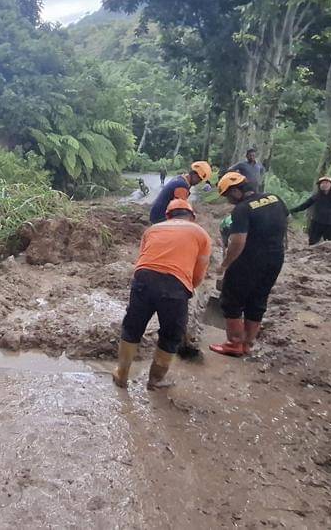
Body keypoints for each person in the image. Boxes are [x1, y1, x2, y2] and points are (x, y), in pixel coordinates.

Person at [113, 199, 212, 390]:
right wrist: (187, 289)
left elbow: (144, 257)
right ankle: (155, 380)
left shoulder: (152, 230)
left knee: (132, 327)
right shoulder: (201, 234)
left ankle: (121, 374)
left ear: (167, 216)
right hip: (176, 285)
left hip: (143, 278)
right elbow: (199, 272)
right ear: (192, 216)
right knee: (171, 334)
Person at [210, 171, 288, 358]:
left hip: (249, 260)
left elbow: (237, 242)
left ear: (236, 191)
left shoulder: (242, 209)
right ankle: (247, 344)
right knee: (258, 300)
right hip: (275, 258)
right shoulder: (274, 198)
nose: (229, 201)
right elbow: (285, 222)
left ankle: (234, 343)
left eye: (228, 196)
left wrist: (225, 265)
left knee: (232, 300)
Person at [290, 176, 331, 245]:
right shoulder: (316, 197)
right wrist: (290, 211)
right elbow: (304, 206)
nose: (324, 185)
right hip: (317, 223)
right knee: (312, 243)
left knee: (330, 245)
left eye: (326, 183)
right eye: (322, 183)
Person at [149, 160, 213, 224]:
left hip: (157, 215)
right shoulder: (181, 186)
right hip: (160, 219)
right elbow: (179, 211)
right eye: (199, 179)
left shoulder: (180, 178)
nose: (199, 182)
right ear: (194, 174)